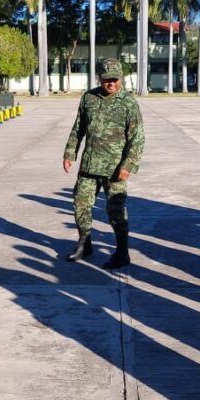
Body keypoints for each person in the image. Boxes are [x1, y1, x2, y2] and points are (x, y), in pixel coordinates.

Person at [63, 57, 145, 269]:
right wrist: (70, 152)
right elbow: (78, 127)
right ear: (99, 78)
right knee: (80, 205)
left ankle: (122, 252)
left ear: (121, 79)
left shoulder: (128, 103)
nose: (111, 84)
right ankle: (84, 243)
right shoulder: (88, 98)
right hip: (89, 165)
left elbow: (137, 138)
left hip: (115, 169)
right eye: (106, 79)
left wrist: (128, 165)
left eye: (115, 80)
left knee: (116, 211)